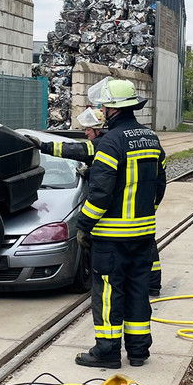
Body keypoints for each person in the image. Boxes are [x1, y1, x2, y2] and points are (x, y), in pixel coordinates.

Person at [74, 78, 166, 369]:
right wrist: (145, 214)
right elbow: (160, 185)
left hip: (111, 236)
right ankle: (139, 352)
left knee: (110, 293)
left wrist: (83, 224)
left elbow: (100, 193)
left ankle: (108, 351)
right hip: (143, 232)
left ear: (111, 109)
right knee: (139, 289)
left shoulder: (110, 142)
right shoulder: (151, 138)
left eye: (103, 106)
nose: (101, 110)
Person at [37, 106, 164, 296]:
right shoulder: (149, 138)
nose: (86, 133)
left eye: (88, 130)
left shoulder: (105, 143)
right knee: (146, 255)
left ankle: (146, 286)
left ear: (99, 129)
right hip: (143, 220)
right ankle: (152, 285)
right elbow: (159, 183)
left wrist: (42, 146)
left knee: (112, 287)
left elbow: (75, 151)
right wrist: (150, 208)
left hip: (117, 224)